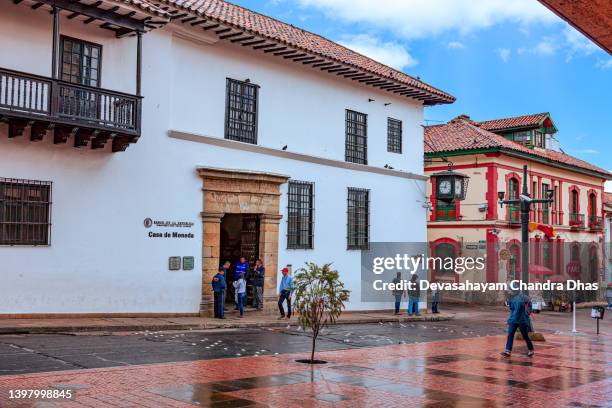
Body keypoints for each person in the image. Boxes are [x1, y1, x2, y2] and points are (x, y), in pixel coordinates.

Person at [501, 291, 534, 357]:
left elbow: (517, 312)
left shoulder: (520, 299)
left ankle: (531, 349)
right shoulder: (511, 298)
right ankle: (508, 351)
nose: (508, 292)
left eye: (509, 291)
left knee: (525, 335)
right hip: (514, 320)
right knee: (510, 334)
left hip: (521, 320)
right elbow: (512, 309)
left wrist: (527, 313)